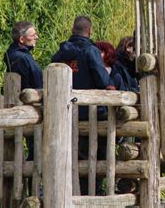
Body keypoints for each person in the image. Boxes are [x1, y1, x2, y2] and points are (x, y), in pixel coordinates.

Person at [51, 15, 112, 195]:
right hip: (92, 113)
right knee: (95, 156)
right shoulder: (90, 51)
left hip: (67, 112)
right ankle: (92, 194)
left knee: (73, 155)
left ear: (72, 30)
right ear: (90, 31)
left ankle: (72, 192)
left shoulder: (61, 53)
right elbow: (102, 79)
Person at [3, 21, 43, 193]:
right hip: (30, 109)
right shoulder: (20, 57)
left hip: (27, 107)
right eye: (33, 35)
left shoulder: (16, 54)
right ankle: (35, 190)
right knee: (36, 151)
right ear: (21, 39)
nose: (36, 37)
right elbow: (33, 81)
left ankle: (33, 189)